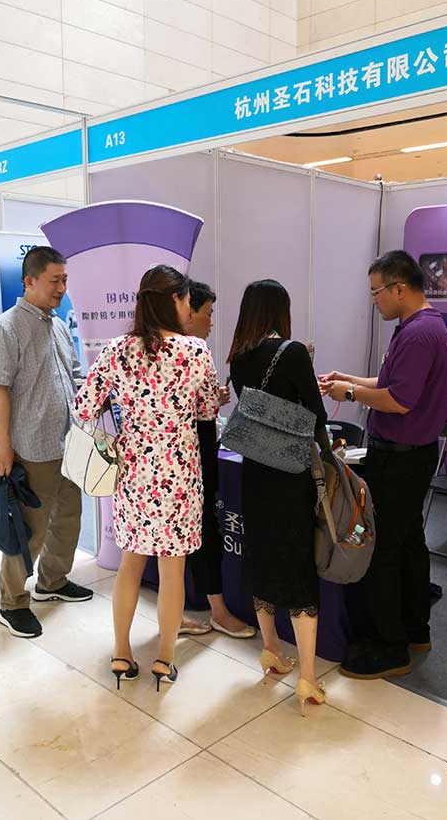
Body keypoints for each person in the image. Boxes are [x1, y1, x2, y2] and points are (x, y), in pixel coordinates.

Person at [73, 265, 219, 691]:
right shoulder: (195, 352)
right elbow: (208, 410)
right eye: (186, 299)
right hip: (179, 477)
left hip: (134, 474)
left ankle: (121, 653)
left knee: (130, 565)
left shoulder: (118, 349)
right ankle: (164, 660)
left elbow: (83, 407)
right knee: (173, 572)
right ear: (174, 300)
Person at [319, 250, 447, 680]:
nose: (374, 300)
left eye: (376, 292)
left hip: (400, 459)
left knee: (383, 550)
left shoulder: (418, 334)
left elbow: (398, 400)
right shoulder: (419, 327)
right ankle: (415, 630)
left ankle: (390, 647)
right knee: (409, 542)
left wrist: (349, 394)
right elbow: (391, 383)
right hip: (410, 455)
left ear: (399, 288)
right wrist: (349, 381)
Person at [228, 279, 327, 714]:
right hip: (290, 476)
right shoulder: (293, 352)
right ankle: (307, 677)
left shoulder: (238, 356)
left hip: (254, 472)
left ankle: (270, 649)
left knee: (262, 557)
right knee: (297, 566)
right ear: (280, 311)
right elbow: (316, 416)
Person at [0, 246, 92, 640]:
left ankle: (53, 581)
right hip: (32, 447)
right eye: (54, 280)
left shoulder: (58, 326)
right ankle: (12, 602)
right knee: (28, 531)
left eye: (65, 280)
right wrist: (3, 447)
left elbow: (75, 376)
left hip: (68, 443)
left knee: (67, 519)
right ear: (29, 281)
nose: (62, 288)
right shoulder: (6, 328)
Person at [179, 280, 256, 639]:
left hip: (175, 458)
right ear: (186, 309)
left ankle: (180, 612)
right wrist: (213, 400)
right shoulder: (194, 351)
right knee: (204, 528)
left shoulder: (158, 349)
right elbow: (204, 408)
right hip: (192, 454)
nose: (211, 322)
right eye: (207, 313)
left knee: (184, 535)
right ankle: (218, 612)